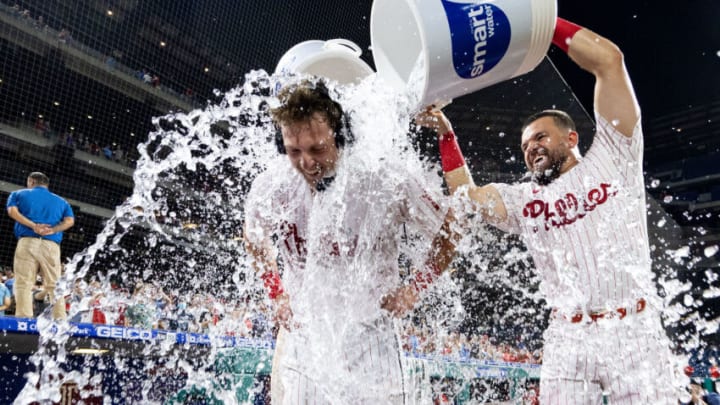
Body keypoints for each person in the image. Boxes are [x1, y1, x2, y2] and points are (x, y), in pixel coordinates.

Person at [417, 17, 682, 403]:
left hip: (634, 329)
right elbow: (466, 197)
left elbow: (609, 60)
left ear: (571, 137)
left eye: (541, 137)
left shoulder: (614, 156)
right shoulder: (525, 200)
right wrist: (446, 135)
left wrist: (541, 20)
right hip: (568, 337)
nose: (531, 147)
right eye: (525, 145)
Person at [243, 79, 458, 404]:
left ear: (342, 136)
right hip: (306, 340)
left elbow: (451, 232)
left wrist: (414, 289)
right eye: (293, 151)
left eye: (318, 148)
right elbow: (254, 240)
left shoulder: (387, 179)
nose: (306, 163)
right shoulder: (272, 186)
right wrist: (277, 295)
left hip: (372, 341)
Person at [6, 172, 74, 320]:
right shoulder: (62, 201)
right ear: (46, 184)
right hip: (51, 245)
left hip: (27, 241)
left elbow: (12, 211)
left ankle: (24, 319)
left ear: (30, 181)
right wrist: (53, 229)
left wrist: (33, 225)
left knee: (24, 282)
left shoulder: (18, 194)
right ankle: (60, 318)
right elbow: (69, 221)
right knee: (54, 284)